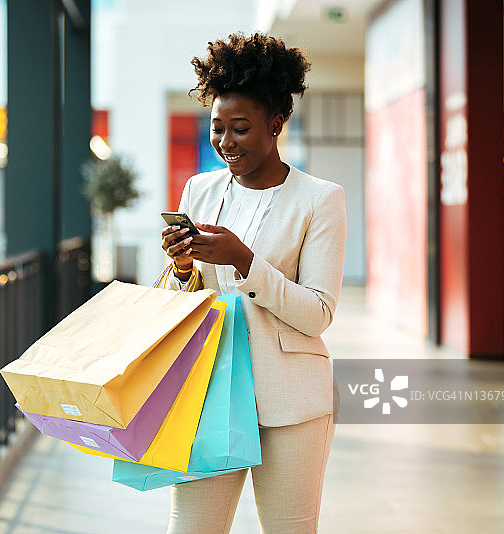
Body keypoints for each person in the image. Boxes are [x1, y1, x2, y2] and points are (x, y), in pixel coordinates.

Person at [159, 32, 346, 533]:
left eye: (240, 129)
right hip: (207, 392)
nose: (225, 142)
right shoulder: (199, 190)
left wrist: (245, 262)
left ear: (276, 123)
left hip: (291, 401)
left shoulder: (320, 199)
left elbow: (318, 313)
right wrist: (183, 269)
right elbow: (179, 304)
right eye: (217, 128)